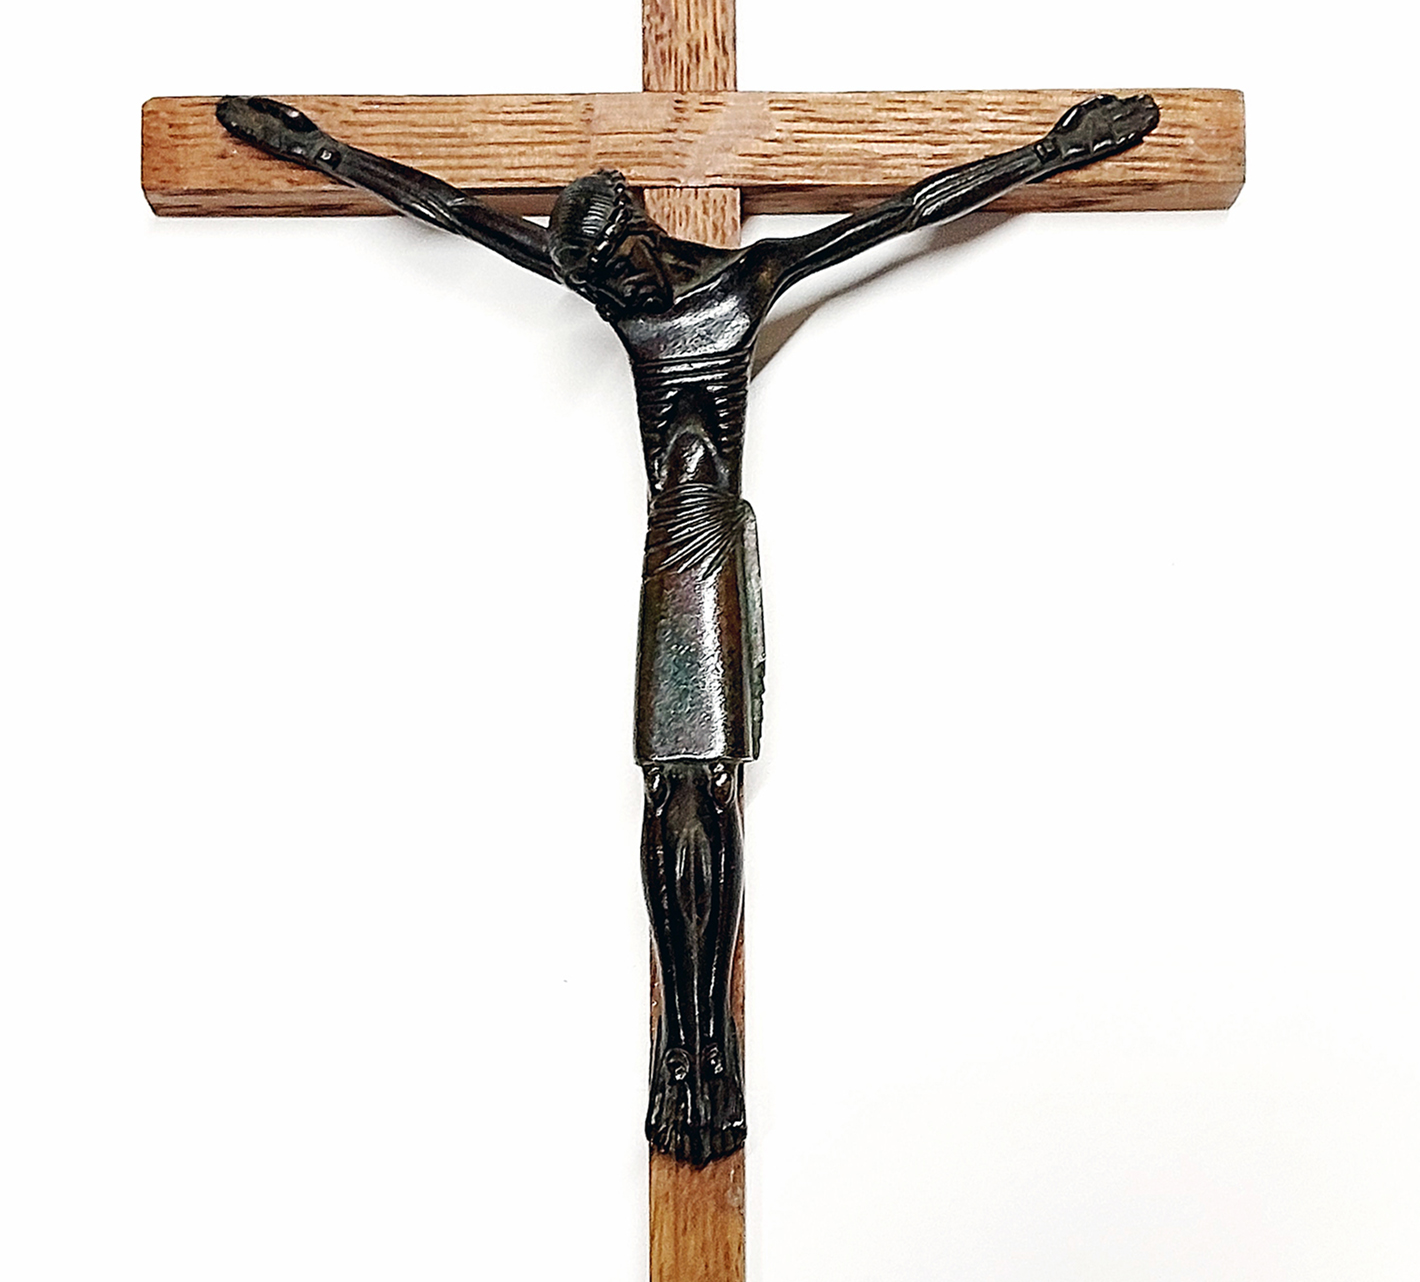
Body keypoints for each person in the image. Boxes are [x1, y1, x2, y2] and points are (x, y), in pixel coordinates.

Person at [217, 90, 1159, 1164]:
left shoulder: (743, 281)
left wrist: (1051, 151)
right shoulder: (607, 292)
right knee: (668, 785)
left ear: (637, 233)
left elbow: (909, 211)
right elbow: (449, 210)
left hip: (710, 538)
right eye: (590, 286)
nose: (605, 297)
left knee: (705, 783)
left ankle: (711, 1042)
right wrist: (318, 149)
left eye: (611, 276)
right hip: (668, 548)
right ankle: (684, 1044)